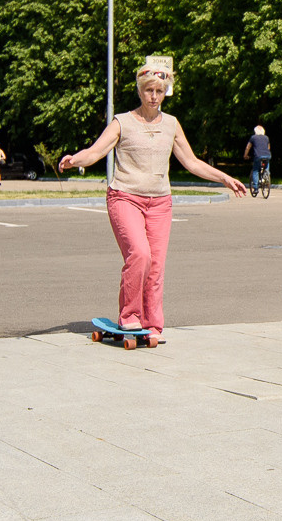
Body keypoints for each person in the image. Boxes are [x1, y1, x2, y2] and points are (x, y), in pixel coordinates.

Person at [61, 64, 246, 345]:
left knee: (156, 265)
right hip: (125, 197)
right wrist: (76, 159)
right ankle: (130, 316)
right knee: (139, 255)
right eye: (149, 90)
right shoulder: (122, 122)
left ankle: (152, 323)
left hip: (160, 203)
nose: (154, 96)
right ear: (139, 91)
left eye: (159, 91)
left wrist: (225, 178)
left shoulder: (171, 124)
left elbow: (192, 162)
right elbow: (96, 151)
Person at [244, 125, 273, 197]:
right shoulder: (266, 138)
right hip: (267, 155)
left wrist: (245, 155)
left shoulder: (253, 137)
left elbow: (248, 147)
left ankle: (256, 188)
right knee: (266, 166)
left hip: (258, 156)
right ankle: (266, 176)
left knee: (255, 170)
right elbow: (268, 147)